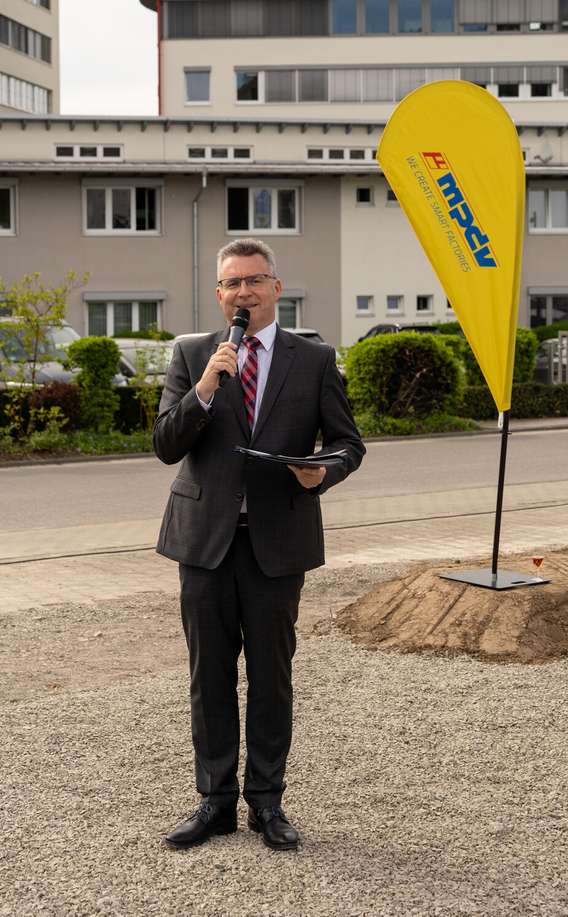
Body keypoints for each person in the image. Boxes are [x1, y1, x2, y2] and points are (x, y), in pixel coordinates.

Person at [153, 238, 365, 851]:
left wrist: (324, 471)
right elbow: (167, 443)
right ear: (219, 294)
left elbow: (347, 444)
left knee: (271, 678)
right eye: (231, 283)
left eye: (254, 280)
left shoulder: (315, 359)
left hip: (277, 542)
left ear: (276, 287)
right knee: (208, 676)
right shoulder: (194, 354)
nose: (243, 292)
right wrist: (206, 390)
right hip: (204, 543)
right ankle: (214, 801)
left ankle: (267, 804)